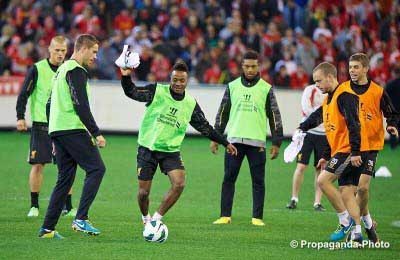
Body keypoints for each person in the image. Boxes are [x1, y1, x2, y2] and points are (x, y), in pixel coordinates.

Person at [119, 59, 238, 225]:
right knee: (143, 193)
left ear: (187, 81)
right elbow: (132, 92)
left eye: (182, 80)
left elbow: (205, 127)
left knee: (179, 184)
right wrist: (126, 76)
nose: (178, 83)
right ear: (170, 79)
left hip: (170, 151)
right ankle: (145, 217)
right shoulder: (156, 91)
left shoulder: (190, 104)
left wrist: (225, 143)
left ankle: (156, 219)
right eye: (175, 80)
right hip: (148, 148)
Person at [39, 34, 106, 238]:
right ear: (83, 48)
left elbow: (49, 104)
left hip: (58, 130)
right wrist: (96, 133)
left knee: (65, 179)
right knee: (96, 169)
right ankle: (81, 219)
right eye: (93, 51)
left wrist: (52, 135)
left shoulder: (61, 70)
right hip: (72, 128)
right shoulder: (77, 71)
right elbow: (80, 105)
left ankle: (47, 229)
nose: (95, 56)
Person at [211, 50, 284, 226]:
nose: (250, 69)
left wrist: (276, 142)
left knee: (258, 181)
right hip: (233, 141)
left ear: (258, 66)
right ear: (242, 67)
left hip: (257, 142)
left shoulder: (266, 88)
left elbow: (274, 115)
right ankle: (225, 216)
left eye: (253, 66)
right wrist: (216, 137)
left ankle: (257, 218)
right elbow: (223, 113)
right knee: (229, 178)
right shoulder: (232, 86)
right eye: (247, 66)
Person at [335, 53, 399, 242]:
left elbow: (391, 112)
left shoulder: (378, 91)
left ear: (365, 69)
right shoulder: (343, 89)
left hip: (370, 146)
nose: (352, 71)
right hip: (348, 146)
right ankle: (366, 224)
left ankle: (360, 225)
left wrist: (391, 125)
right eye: (350, 67)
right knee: (349, 190)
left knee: (362, 189)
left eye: (356, 67)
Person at [299, 62, 364, 243]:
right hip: (340, 151)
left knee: (323, 180)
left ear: (330, 77)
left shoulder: (345, 96)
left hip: (349, 151)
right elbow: (323, 122)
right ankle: (359, 231)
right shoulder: (329, 99)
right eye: (315, 82)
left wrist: (357, 151)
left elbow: (354, 125)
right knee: (346, 192)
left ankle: (345, 221)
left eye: (319, 81)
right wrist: (302, 128)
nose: (317, 85)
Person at [16, 35, 76, 217]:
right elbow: (23, 94)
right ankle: (34, 205)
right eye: (57, 50)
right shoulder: (37, 69)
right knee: (38, 165)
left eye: (63, 51)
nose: (60, 54)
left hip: (62, 125)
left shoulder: (69, 70)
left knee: (66, 167)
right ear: (49, 50)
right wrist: (20, 117)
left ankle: (68, 207)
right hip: (41, 125)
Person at [286, 84, 327, 211]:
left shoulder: (330, 92)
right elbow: (307, 110)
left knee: (320, 168)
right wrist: (322, 112)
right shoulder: (310, 90)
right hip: (308, 134)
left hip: (324, 135)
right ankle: (294, 198)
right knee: (301, 166)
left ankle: (317, 202)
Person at [385, 67, 400, 149]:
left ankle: (393, 145)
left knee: (393, 127)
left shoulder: (390, 84)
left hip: (393, 110)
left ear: (394, 73)